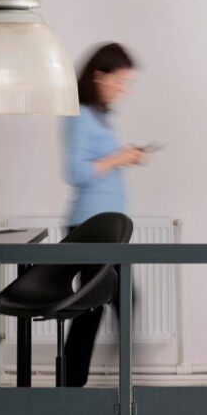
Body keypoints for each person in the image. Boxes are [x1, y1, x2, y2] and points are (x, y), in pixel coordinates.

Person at [60, 42, 145, 387]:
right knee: (96, 307)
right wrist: (119, 159)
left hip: (107, 230)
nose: (123, 90)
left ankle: (78, 392)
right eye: (119, 81)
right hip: (91, 227)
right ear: (99, 77)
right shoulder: (79, 115)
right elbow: (75, 171)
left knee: (98, 308)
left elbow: (99, 163)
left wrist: (124, 154)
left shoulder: (100, 118)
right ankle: (89, 393)